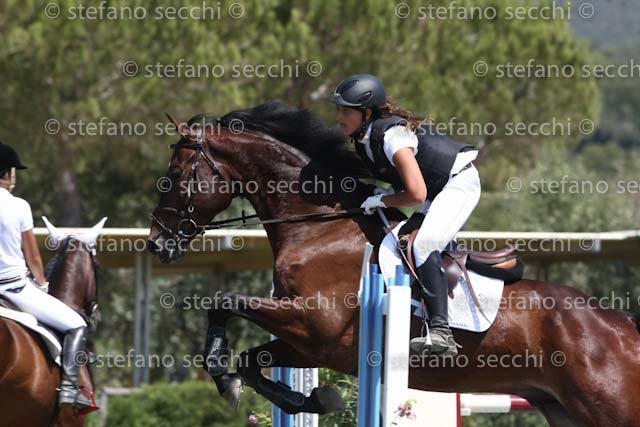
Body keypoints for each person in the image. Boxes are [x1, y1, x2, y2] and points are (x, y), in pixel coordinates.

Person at [329, 74, 481, 357]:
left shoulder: (392, 136)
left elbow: (416, 194)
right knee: (399, 243)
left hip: (459, 183)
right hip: (438, 190)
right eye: (338, 110)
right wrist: (381, 193)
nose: (339, 118)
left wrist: (382, 199)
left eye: (346, 111)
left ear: (367, 113)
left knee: (423, 244)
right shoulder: (363, 140)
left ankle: (442, 333)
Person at [0, 142, 92, 409]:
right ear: (7, 173)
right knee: (77, 325)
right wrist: (42, 284)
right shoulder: (19, 206)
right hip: (15, 289)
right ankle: (69, 389)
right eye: (14, 172)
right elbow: (33, 257)